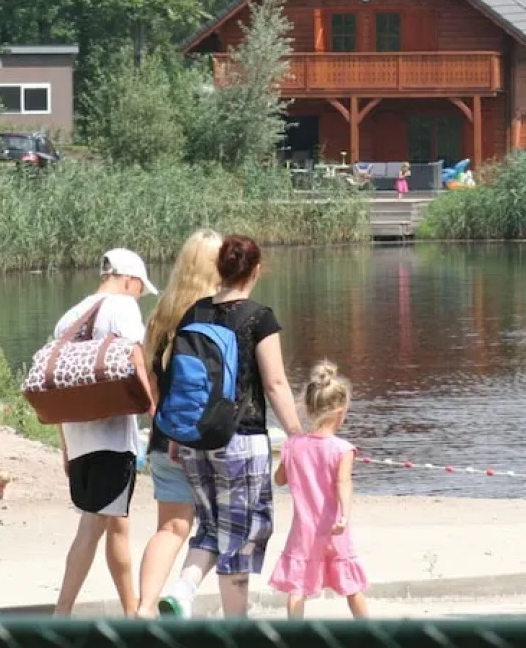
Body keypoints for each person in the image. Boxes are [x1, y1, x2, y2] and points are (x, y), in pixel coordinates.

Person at [156, 235, 303, 619]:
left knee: (209, 527)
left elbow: (178, 376)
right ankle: (237, 630)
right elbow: (274, 384)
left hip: (193, 438)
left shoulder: (193, 314)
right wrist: (297, 436)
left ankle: (184, 592)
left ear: (220, 269)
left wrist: (175, 434)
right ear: (256, 270)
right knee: (239, 537)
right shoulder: (258, 317)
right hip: (241, 440)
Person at [53, 248, 159, 616]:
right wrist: (154, 406)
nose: (138, 297)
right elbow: (136, 358)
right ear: (129, 279)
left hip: (78, 436)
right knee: (94, 525)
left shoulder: (71, 316)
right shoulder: (122, 307)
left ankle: (133, 611)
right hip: (112, 436)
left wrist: (64, 446)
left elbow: (59, 385)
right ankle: (62, 614)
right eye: (139, 289)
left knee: (117, 525)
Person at [134, 228, 223, 618]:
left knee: (171, 528)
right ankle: (187, 594)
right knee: (222, 526)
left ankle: (144, 606)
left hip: (163, 436)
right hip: (206, 438)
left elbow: (150, 386)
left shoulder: (160, 317)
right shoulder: (218, 314)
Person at [270, 361, 370, 619]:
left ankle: (295, 641)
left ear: (309, 407)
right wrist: (344, 516)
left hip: (303, 530)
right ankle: (370, 635)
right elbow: (343, 484)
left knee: (297, 587)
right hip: (334, 528)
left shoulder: (292, 446)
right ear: (341, 410)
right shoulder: (342, 449)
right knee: (351, 585)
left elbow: (279, 479)